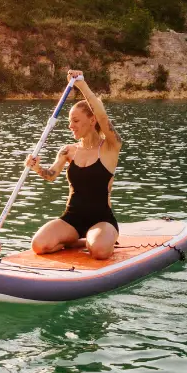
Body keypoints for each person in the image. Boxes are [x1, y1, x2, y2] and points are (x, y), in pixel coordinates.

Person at [25, 70, 122, 259]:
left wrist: (81, 85)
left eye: (76, 121)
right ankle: (78, 241)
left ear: (92, 120)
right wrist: (36, 167)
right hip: (72, 219)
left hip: (102, 219)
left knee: (100, 252)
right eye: (70, 122)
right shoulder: (68, 150)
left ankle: (97, 239)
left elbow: (103, 117)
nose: (71, 126)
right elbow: (51, 175)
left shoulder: (111, 147)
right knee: (39, 245)